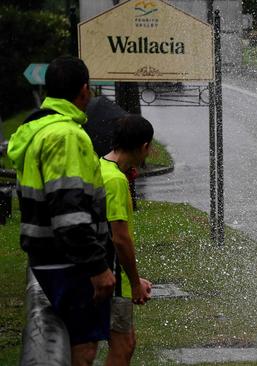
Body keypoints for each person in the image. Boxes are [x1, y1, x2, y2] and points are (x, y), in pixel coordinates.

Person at [7, 56, 115, 366]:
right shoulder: (66, 135)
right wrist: (97, 267)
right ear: (84, 90)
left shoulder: (37, 129)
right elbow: (69, 214)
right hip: (70, 263)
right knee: (83, 347)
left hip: (47, 257)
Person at [101, 115, 154, 365]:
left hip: (109, 274)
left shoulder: (101, 167)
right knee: (122, 347)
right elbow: (120, 239)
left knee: (127, 342)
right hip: (113, 280)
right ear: (144, 147)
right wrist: (133, 283)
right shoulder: (115, 181)